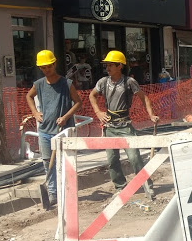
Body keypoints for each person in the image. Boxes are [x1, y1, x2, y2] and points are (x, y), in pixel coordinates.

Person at [89, 50, 159, 191]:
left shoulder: (129, 82)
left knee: (134, 158)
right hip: (109, 126)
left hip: (125, 126)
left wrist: (151, 115)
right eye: (107, 65)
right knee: (112, 161)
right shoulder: (103, 82)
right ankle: (120, 187)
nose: (108, 68)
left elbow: (143, 97)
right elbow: (92, 95)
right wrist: (98, 112)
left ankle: (146, 185)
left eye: (111, 65)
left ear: (119, 66)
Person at [26, 49, 82, 205]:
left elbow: (78, 102)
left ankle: (67, 191)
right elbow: (28, 96)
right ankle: (52, 193)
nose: (46, 70)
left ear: (54, 64)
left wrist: (65, 117)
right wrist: (35, 112)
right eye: (43, 68)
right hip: (45, 131)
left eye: (49, 66)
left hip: (63, 131)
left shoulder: (66, 83)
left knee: (65, 162)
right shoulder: (39, 84)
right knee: (47, 163)